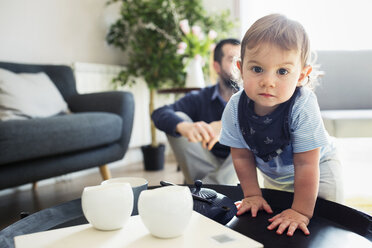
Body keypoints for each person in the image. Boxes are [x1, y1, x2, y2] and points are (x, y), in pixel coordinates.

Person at [220, 14, 343, 236]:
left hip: (319, 170)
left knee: (325, 226)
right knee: (276, 221)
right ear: (240, 68)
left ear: (301, 76)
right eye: (257, 69)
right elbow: (241, 156)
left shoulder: (302, 106)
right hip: (275, 175)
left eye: (282, 71)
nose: (268, 81)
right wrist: (252, 194)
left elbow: (306, 164)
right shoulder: (235, 108)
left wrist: (301, 211)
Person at [151, 38, 241, 184]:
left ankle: (206, 188)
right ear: (217, 67)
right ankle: (215, 188)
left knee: (259, 128)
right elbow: (159, 113)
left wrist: (228, 125)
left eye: (242, 60)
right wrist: (185, 127)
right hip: (205, 160)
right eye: (232, 60)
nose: (239, 66)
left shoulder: (254, 99)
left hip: (237, 166)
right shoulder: (200, 98)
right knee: (177, 118)